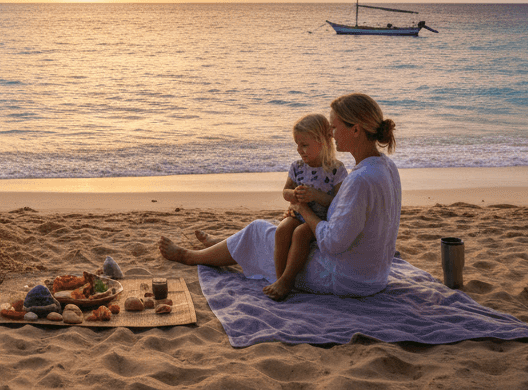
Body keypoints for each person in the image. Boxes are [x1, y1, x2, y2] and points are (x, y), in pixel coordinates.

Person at [159, 93, 401, 298]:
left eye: (335, 127)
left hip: (348, 279)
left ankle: (190, 256)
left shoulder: (359, 180)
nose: (332, 134)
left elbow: (332, 242)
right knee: (276, 231)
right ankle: (221, 246)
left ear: (356, 129)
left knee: (257, 232)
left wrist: (303, 210)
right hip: (373, 275)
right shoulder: (385, 167)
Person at [264, 113, 346, 301]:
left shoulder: (335, 169)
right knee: (282, 229)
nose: (300, 150)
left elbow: (339, 202)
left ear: (323, 142)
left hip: (320, 219)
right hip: (297, 213)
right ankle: (280, 277)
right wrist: (293, 195)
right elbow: (285, 191)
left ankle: (288, 280)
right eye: (297, 145)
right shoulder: (297, 167)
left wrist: (316, 196)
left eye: (305, 145)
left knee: (300, 234)